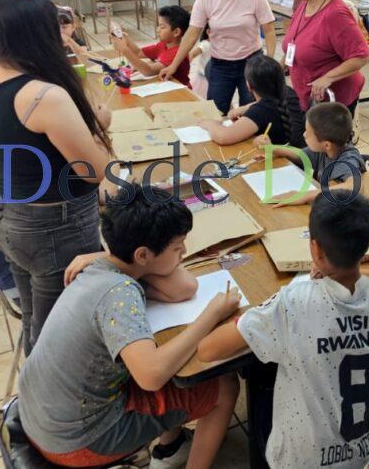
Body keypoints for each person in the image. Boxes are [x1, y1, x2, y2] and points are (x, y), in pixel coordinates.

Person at [197, 191, 369, 468]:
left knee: (262, 392)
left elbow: (208, 350)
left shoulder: (293, 303)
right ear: (365, 250)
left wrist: (217, 312)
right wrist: (358, 275)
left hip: (305, 459)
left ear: (316, 249)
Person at [17, 186, 240, 468]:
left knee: (170, 362)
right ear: (143, 255)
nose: (184, 251)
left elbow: (183, 289)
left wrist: (97, 255)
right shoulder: (119, 294)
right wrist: (211, 314)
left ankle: (170, 447)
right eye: (177, 247)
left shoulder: (104, 267)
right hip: (80, 440)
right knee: (223, 386)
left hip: (45, 414)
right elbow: (151, 376)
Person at [0, 0, 113, 353]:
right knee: (56, 336)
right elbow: (95, 171)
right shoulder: (42, 95)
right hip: (54, 228)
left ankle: (34, 388)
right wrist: (97, 128)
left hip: (6, 214)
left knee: (35, 318)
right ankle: (40, 403)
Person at [160, 0, 277, 115]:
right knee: (215, 112)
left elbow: (270, 30)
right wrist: (174, 65)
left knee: (251, 113)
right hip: (220, 65)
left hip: (251, 62)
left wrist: (269, 63)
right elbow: (192, 34)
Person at [281, 0, 369, 113]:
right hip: (307, 95)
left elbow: (362, 55)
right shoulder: (305, 3)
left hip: (333, 102)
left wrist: (327, 78)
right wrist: (275, 70)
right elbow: (295, 42)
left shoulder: (334, 15)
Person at [255, 102, 365, 207]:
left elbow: (355, 187)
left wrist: (304, 195)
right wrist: (272, 148)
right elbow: (300, 154)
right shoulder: (325, 149)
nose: (304, 134)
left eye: (308, 132)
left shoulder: (347, 159)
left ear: (327, 144)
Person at [200, 54, 303, 147]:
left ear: (248, 85)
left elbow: (223, 137)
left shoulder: (259, 112)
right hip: (300, 156)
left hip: (280, 162)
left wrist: (210, 124)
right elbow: (270, 103)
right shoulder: (288, 92)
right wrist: (245, 108)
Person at [111, 5, 191, 87]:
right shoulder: (163, 45)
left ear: (176, 32)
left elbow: (148, 71)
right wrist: (123, 36)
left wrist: (124, 50)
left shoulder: (176, 52)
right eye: (158, 26)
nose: (157, 30)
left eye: (162, 27)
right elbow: (138, 53)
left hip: (181, 93)